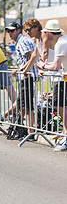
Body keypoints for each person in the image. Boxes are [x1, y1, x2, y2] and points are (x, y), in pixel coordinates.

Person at [3, 22, 38, 141]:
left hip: (28, 76)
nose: (10, 33)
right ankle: (29, 131)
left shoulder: (22, 41)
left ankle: (30, 132)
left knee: (26, 105)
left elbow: (31, 57)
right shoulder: (22, 41)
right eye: (8, 31)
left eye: (12, 31)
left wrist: (21, 69)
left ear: (18, 30)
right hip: (28, 75)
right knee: (25, 105)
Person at [36, 20, 67, 151]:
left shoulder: (60, 43)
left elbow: (56, 66)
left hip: (63, 78)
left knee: (60, 105)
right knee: (60, 105)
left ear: (49, 33)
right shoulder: (64, 40)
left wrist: (42, 65)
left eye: (45, 32)